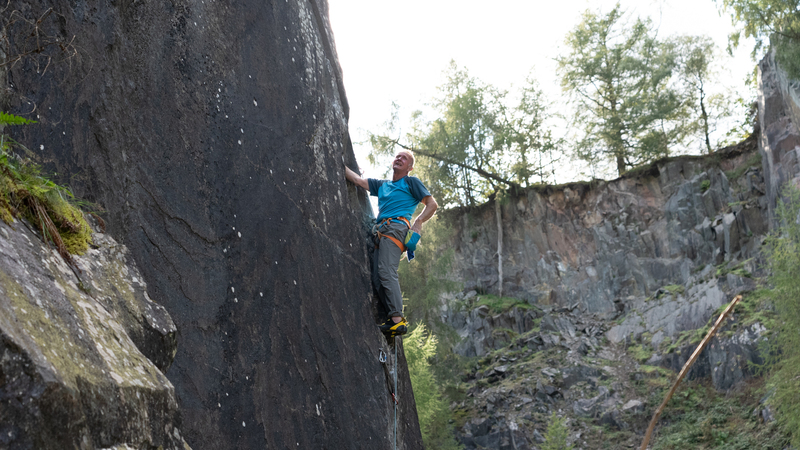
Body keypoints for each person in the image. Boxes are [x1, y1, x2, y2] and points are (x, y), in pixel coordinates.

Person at [345, 150, 438, 336]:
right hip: (381, 232)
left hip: (396, 229)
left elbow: (432, 204)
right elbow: (358, 181)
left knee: (387, 271)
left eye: (404, 158)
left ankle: (398, 320)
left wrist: (418, 222)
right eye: (398, 156)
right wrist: (337, 162)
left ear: (409, 168)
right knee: (378, 278)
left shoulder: (411, 182)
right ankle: (391, 318)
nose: (399, 159)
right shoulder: (383, 185)